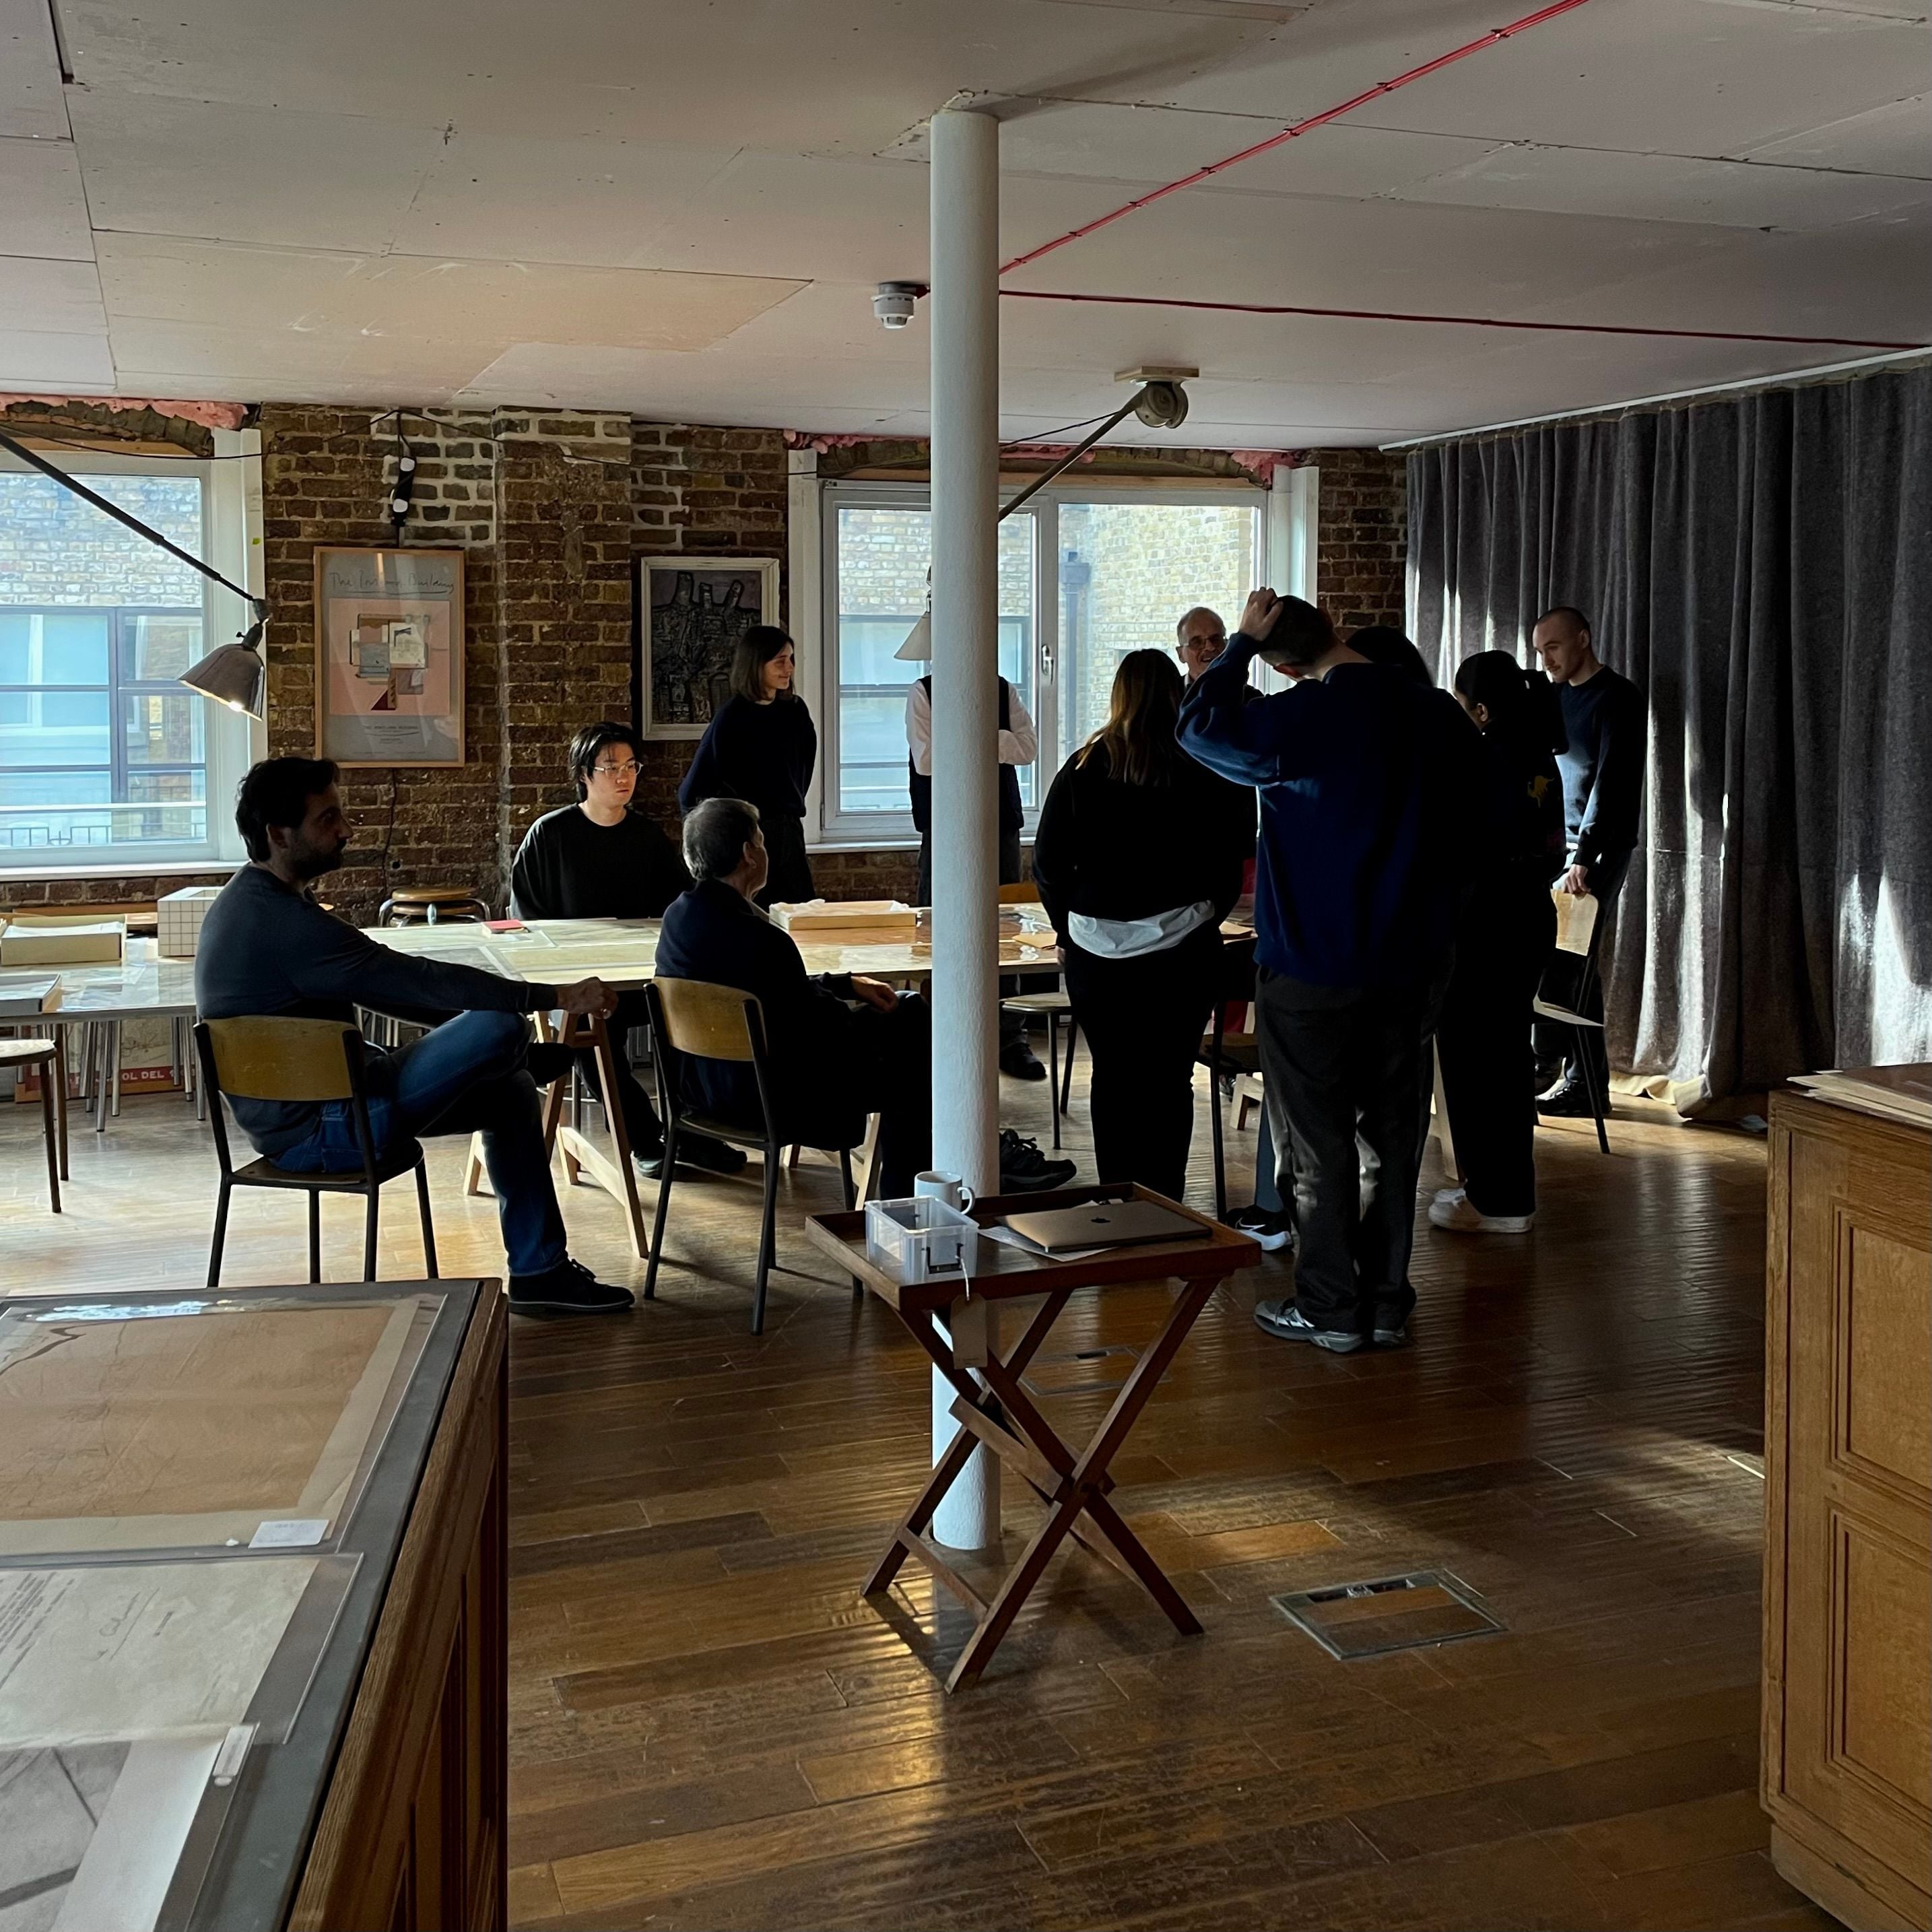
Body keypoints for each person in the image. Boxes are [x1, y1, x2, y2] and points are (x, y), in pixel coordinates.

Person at [195, 757, 632, 1316]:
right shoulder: (283, 923)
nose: (347, 829)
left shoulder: (251, 902)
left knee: (511, 1092)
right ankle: (525, 1055)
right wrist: (554, 997)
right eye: (328, 818)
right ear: (279, 834)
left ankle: (539, 1271)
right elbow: (416, 980)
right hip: (326, 1130)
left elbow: (392, 994)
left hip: (320, 1114)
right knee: (500, 1023)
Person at [1179, 590, 1484, 1354]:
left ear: (1282, 664)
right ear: (1339, 631)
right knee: (1392, 1138)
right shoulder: (1438, 714)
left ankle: (1328, 1305)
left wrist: (1236, 647)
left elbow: (1196, 727)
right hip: (1412, 963)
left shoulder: (1300, 719)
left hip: (1312, 962)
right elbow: (1493, 822)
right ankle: (1384, 1301)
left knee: (1313, 1143)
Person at [1032, 651, 1253, 1203]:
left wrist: (1066, 928)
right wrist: (1205, 914)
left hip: (1095, 949)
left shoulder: (1084, 765)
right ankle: (1165, 1200)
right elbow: (1233, 855)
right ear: (1177, 694)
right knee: (1169, 1081)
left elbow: (1048, 863)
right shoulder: (1203, 764)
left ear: (1118, 695)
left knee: (1111, 1078)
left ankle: (1116, 1197)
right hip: (1180, 948)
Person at [509, 721, 745, 1179]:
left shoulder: (648, 837)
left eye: (631, 766)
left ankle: (691, 1128)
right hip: (576, 982)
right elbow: (528, 922)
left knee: (690, 1007)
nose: (624, 776)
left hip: (639, 976)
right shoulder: (549, 836)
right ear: (584, 774)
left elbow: (678, 910)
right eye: (611, 767)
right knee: (589, 1025)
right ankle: (644, 1137)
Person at [1430, 653, 1566, 1234]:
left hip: (1480, 923)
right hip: (1531, 917)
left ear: (1480, 708)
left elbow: (1455, 846)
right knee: (1509, 1055)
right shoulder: (1542, 757)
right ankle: (1510, 1191)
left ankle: (1489, 1193)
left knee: (1469, 1059)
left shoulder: (1481, 759)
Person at [904, 664, 1046, 1080]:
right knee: (937, 922)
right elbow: (927, 760)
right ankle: (940, 1033)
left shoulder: (1003, 690)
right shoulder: (923, 691)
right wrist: (991, 741)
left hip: (999, 820)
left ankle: (1009, 1038)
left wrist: (974, 737)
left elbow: (1028, 749)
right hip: (945, 820)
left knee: (1005, 928)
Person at [1532, 605, 1645, 1116]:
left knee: (1573, 962)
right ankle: (1579, 1080)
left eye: (1552, 647)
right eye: (1539, 650)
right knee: (1565, 964)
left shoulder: (1618, 697)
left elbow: (1611, 780)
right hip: (1558, 847)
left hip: (1595, 849)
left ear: (1582, 639)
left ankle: (1577, 1081)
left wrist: (1584, 851)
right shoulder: (1553, 697)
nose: (1546, 658)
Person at [677, 625, 816, 906]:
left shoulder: (796, 711)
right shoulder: (731, 718)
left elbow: (804, 769)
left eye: (791, 659)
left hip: (789, 833)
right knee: (754, 918)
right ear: (756, 664)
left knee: (799, 918)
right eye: (780, 661)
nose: (788, 668)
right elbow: (691, 792)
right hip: (750, 839)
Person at [1175, 606, 1228, 683]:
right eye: (1197, 642)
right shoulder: (1169, 693)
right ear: (1180, 654)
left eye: (1216, 640)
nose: (1210, 647)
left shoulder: (1246, 694)